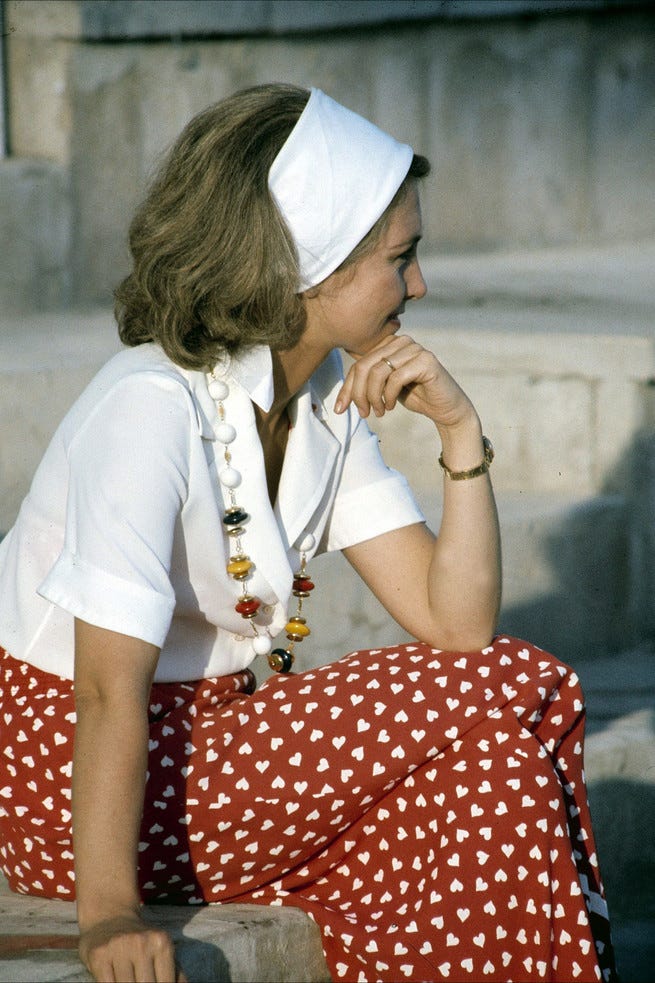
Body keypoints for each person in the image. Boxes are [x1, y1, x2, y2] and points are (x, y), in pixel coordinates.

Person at [0, 83, 617, 983]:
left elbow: (453, 623)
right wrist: (109, 918)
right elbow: (103, 691)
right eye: (399, 258)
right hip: (74, 788)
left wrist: (458, 431)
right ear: (310, 265)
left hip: (208, 760)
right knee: (522, 681)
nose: (419, 284)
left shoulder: (324, 396)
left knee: (495, 774)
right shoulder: (149, 407)